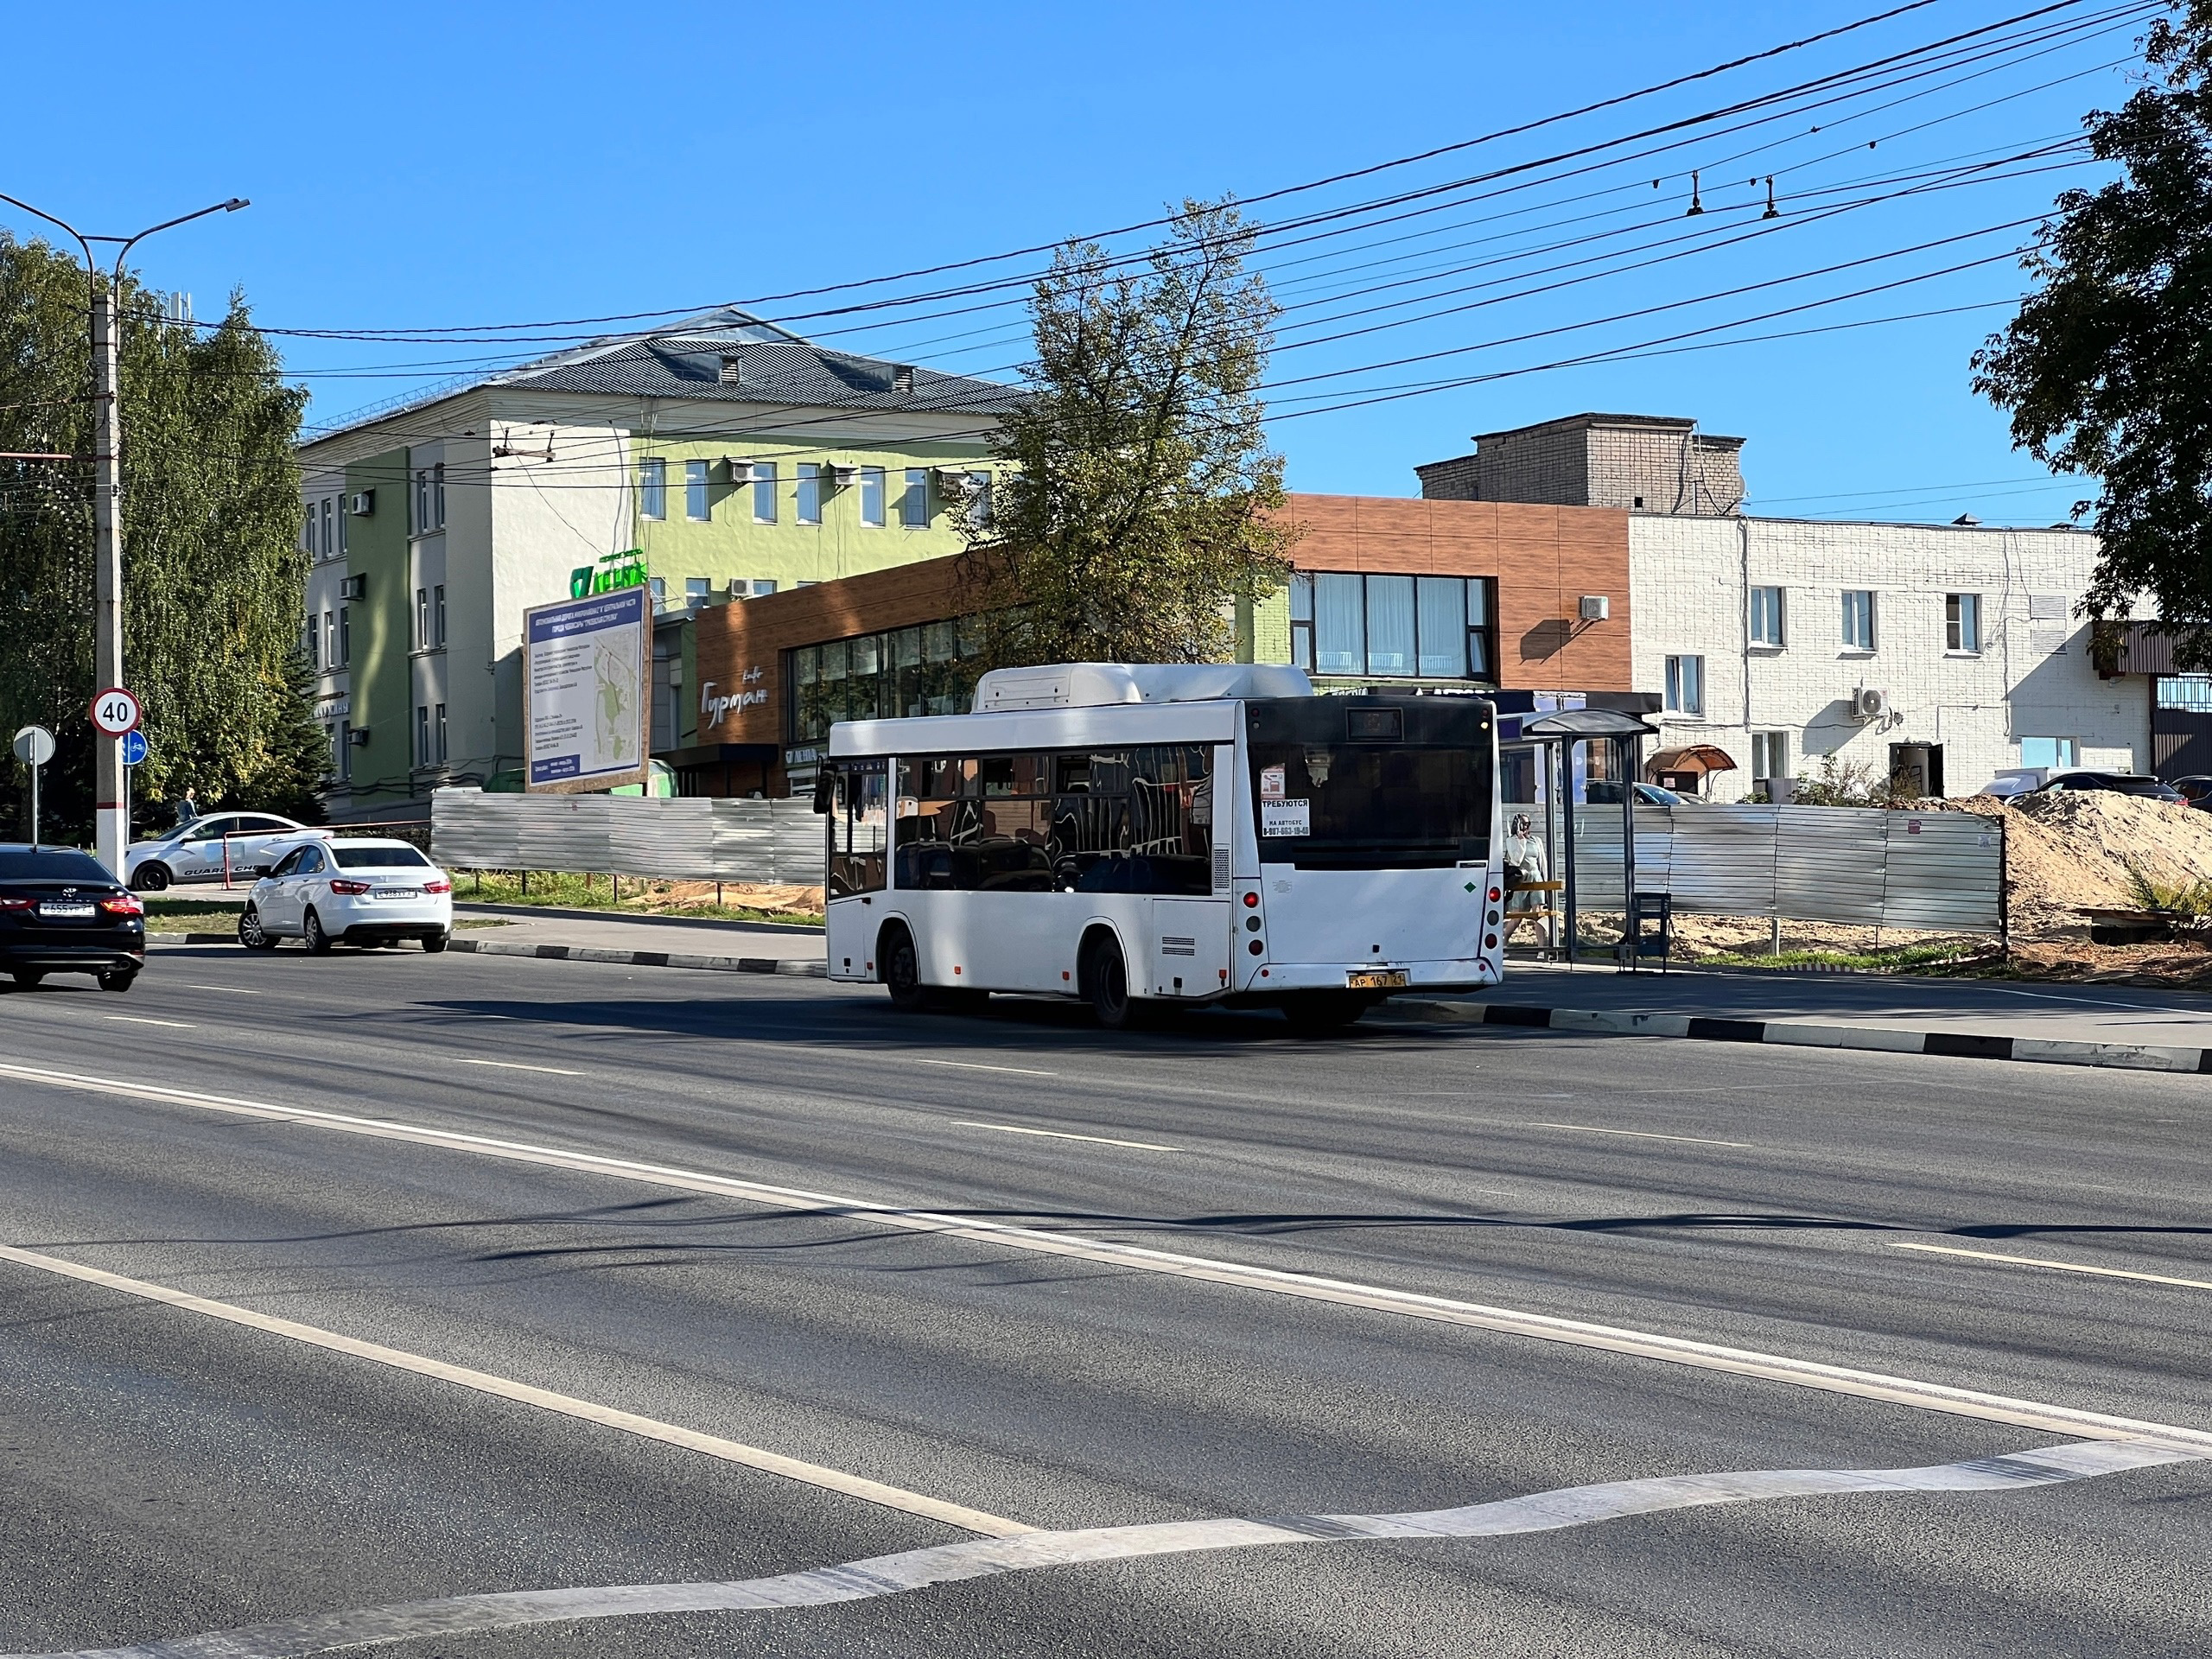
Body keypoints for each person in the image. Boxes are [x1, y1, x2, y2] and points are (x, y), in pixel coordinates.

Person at [1501, 811, 1554, 949]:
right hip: (1522, 878)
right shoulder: (1512, 840)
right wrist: (1520, 841)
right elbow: (1516, 860)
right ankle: (1504, 941)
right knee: (1517, 916)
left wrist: (1546, 879)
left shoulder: (1536, 840)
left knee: (1538, 913)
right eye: (1522, 823)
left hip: (1536, 876)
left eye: (1527, 823)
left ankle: (1541, 948)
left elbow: (1542, 861)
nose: (1525, 826)